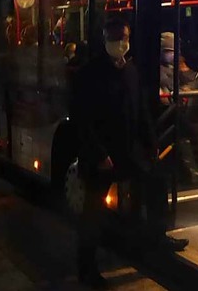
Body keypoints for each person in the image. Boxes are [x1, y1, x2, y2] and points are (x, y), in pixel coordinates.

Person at [71, 19, 188, 288]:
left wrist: (150, 140)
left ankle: (157, 236)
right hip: (102, 153)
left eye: (124, 37)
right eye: (115, 37)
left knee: (155, 183)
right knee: (94, 211)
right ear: (105, 38)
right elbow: (82, 120)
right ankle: (87, 268)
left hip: (130, 149)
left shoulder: (131, 70)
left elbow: (140, 110)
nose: (120, 43)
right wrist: (99, 153)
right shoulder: (89, 74)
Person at [157, 32, 198, 182]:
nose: (173, 55)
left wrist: (186, 76)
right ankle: (190, 173)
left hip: (175, 110)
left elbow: (189, 80)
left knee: (188, 136)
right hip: (165, 113)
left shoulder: (174, 67)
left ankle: (196, 171)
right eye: (169, 52)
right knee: (181, 140)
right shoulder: (159, 70)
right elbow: (164, 94)